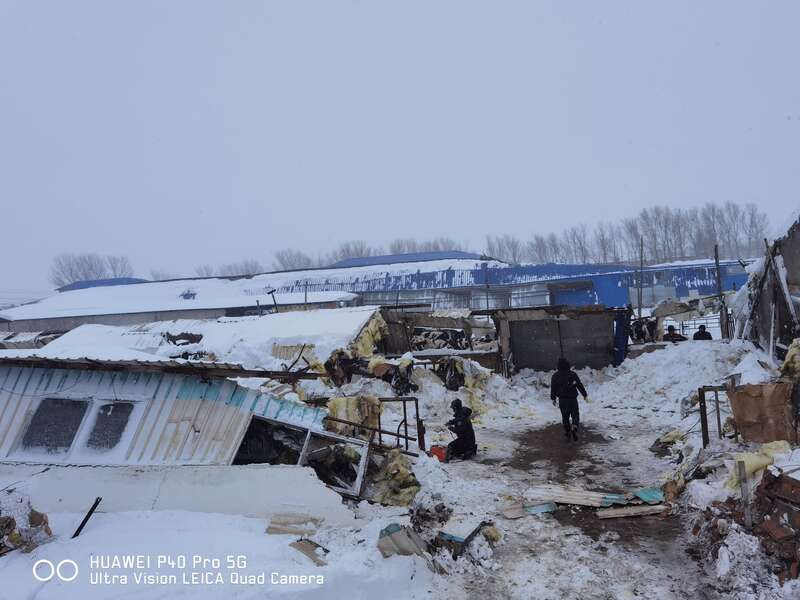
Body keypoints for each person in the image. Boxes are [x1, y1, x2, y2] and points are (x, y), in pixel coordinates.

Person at [550, 357, 588, 441]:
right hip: (572, 399)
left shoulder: (555, 376)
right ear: (568, 365)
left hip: (562, 399)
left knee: (565, 416)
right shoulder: (572, 374)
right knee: (575, 414)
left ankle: (567, 432)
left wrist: (553, 398)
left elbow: (553, 388)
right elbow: (579, 384)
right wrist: (584, 394)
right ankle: (574, 426)